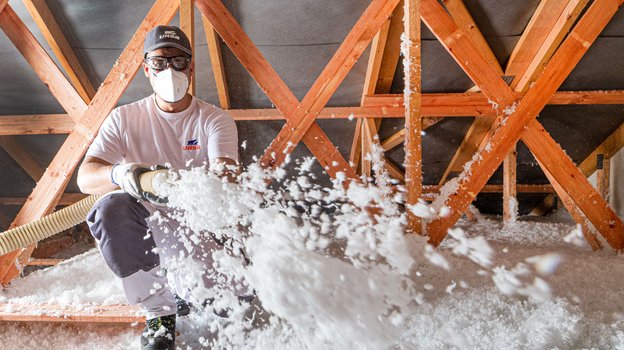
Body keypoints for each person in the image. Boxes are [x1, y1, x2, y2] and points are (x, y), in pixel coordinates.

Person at [77, 25, 240, 350]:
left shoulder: (214, 120)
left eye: (178, 62)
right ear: (146, 68)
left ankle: (198, 290)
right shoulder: (124, 119)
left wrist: (181, 183)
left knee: (231, 308)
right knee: (110, 209)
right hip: (149, 235)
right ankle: (160, 313)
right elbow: (86, 177)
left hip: (200, 228)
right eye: (160, 62)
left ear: (191, 67)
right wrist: (122, 174)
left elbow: (227, 178)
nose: (170, 71)